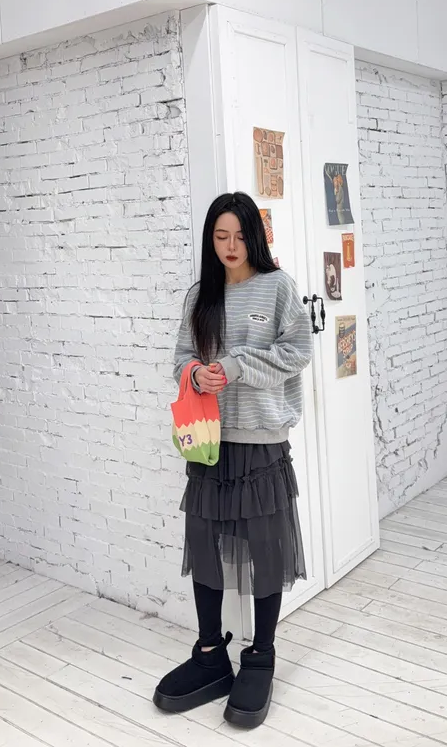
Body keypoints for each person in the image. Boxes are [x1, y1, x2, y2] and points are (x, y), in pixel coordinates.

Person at [153, 191, 313, 729]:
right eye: (220, 236)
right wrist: (195, 374)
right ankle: (210, 654)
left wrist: (238, 366)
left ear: (254, 238)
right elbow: (180, 357)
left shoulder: (278, 286)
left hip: (260, 440)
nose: (230, 245)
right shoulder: (201, 295)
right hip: (208, 440)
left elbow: (298, 352)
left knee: (265, 548)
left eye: (240, 235)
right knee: (203, 543)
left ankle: (260, 656)